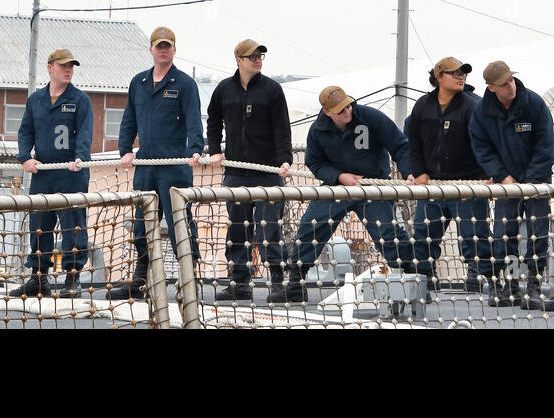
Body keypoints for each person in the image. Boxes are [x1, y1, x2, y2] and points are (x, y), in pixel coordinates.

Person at [281, 87, 416, 303]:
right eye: (340, 109)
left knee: (387, 232)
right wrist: (340, 176)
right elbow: (315, 163)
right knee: (311, 227)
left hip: (373, 187)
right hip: (337, 188)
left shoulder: (371, 117)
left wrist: (409, 172)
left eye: (348, 105)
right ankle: (296, 281)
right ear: (327, 112)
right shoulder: (317, 130)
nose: (347, 111)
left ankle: (413, 277)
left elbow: (400, 146)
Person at [107, 26, 204, 300]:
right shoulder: (138, 82)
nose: (163, 50)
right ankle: (140, 279)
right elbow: (129, 119)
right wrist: (125, 149)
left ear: (174, 50)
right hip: (146, 164)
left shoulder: (184, 83)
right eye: (158, 46)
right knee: (141, 224)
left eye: (167, 46)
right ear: (151, 49)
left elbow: (194, 120)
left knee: (180, 224)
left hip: (174, 165)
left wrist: (195, 150)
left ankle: (189, 280)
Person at [203, 38, 292, 302]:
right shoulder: (223, 90)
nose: (258, 60)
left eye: (260, 56)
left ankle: (277, 281)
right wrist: (215, 151)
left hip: (267, 171)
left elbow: (282, 129)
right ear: (239, 60)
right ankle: (238, 282)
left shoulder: (272, 90)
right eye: (252, 56)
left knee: (270, 228)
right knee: (238, 228)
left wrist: (284, 160)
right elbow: (213, 121)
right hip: (236, 171)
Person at [468, 61, 554, 310]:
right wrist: (502, 176)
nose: (510, 86)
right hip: (506, 184)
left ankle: (533, 282)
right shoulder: (481, 113)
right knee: (503, 235)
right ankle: (510, 285)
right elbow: (481, 148)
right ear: (490, 88)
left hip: (537, 181)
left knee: (538, 231)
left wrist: (530, 181)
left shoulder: (534, 103)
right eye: (503, 83)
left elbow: (545, 144)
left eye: (511, 80)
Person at [405, 56, 493, 294]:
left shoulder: (472, 106)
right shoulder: (422, 106)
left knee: (475, 235)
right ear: (438, 77)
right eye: (454, 73)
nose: (460, 76)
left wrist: (489, 173)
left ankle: (479, 276)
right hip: (433, 184)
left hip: (469, 183)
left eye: (462, 73)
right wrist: (418, 171)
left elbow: (486, 142)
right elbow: (412, 141)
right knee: (423, 235)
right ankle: (423, 276)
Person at [9, 48, 93, 298]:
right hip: (43, 174)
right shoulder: (36, 100)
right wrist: (25, 157)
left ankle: (72, 278)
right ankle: (38, 278)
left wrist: (80, 158)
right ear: (50, 67)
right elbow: (25, 132)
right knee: (39, 226)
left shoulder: (80, 100)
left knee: (73, 226)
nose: (69, 70)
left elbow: (85, 134)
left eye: (72, 66)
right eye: (64, 66)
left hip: (71, 173)